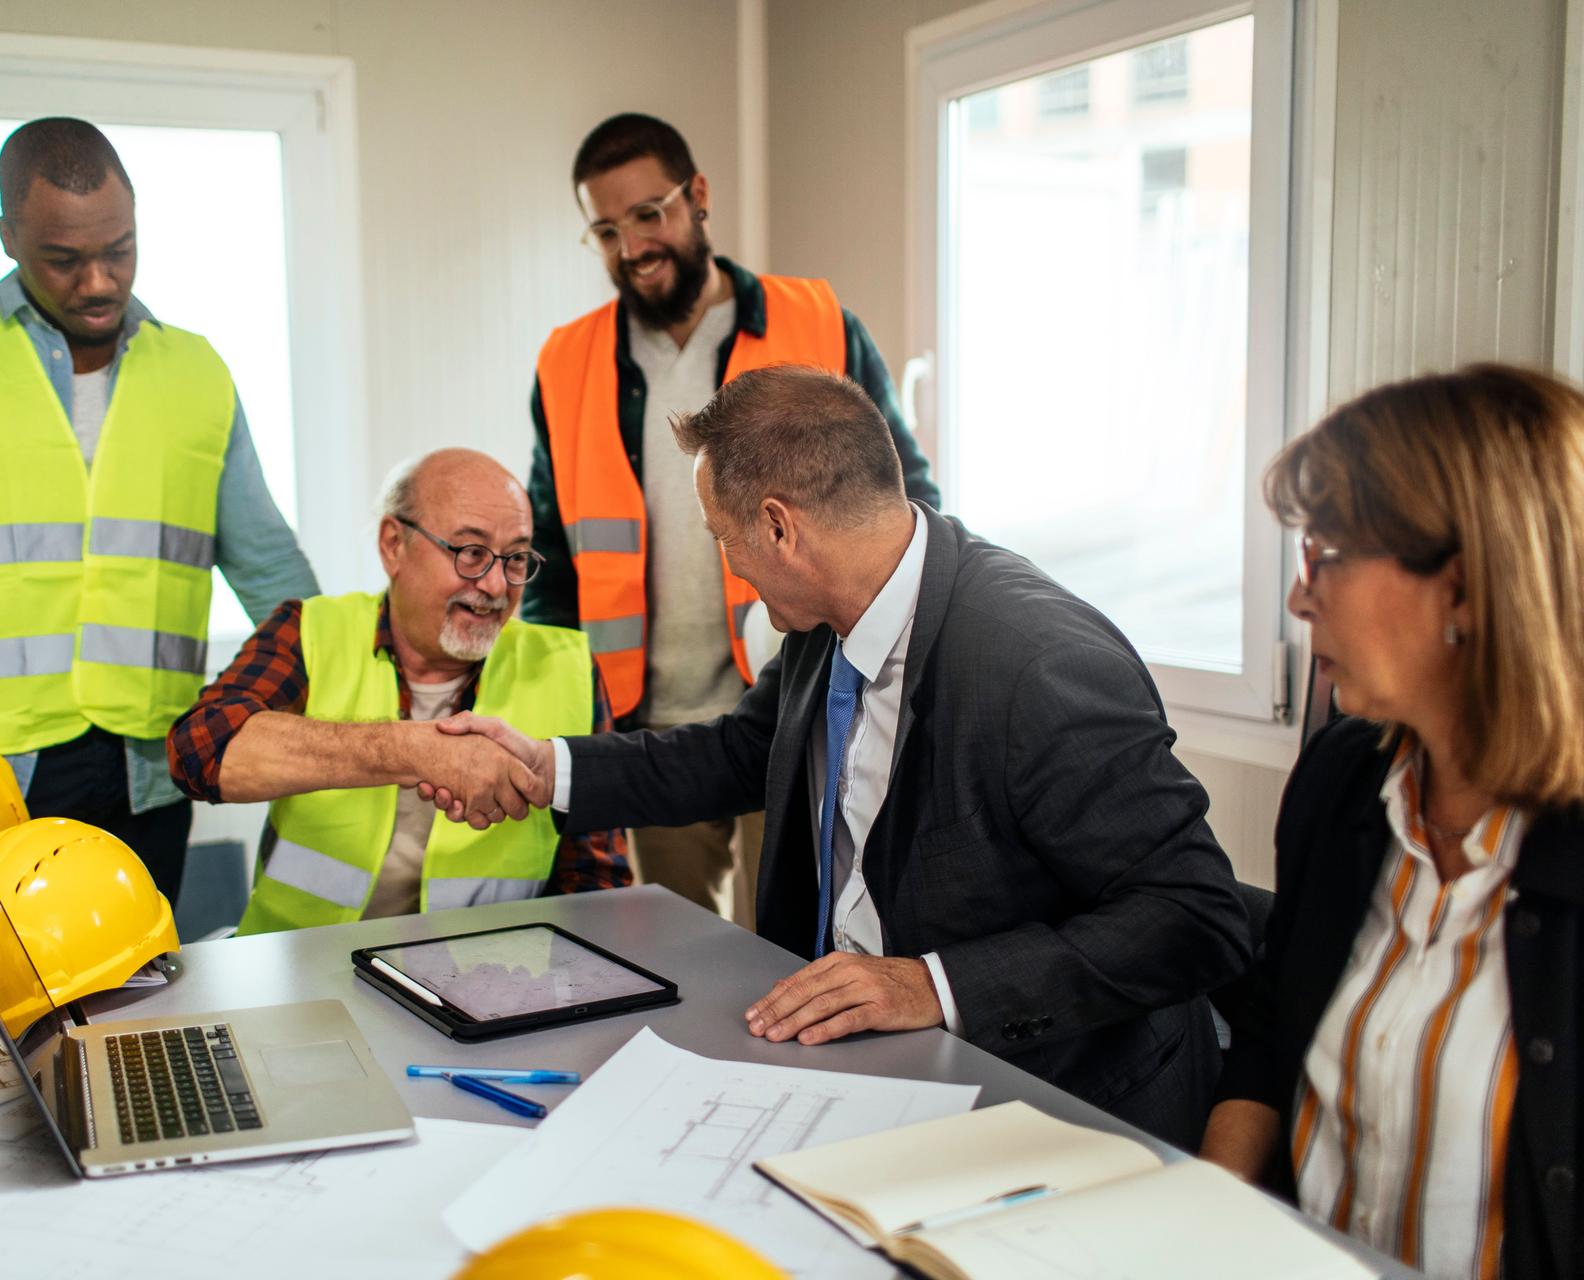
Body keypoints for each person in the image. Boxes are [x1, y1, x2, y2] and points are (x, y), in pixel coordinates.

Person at [435, 366, 1250, 1147]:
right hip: (863, 1067)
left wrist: (932, 983)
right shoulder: (832, 619)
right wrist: (548, 769)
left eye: (727, 540)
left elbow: (1193, 914)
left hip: (1050, 1098)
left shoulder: (1037, 664)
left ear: (780, 528)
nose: (735, 569)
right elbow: (741, 752)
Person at [0, 117, 313, 916]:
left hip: (147, 776)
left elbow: (271, 570)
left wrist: (369, 720)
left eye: (120, 249)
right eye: (65, 260)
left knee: (135, 1014)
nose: (101, 282)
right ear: (8, 235)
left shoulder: (197, 372)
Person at [1202, 365, 1584, 1280]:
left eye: (1325, 556)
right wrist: (1199, 1220)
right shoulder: (1343, 782)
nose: (1301, 599)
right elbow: (1267, 1031)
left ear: (1464, 587)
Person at [523, 113, 942, 925]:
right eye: (606, 230)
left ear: (698, 196)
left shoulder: (818, 323)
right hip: (650, 725)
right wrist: (569, 716)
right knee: (673, 957)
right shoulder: (566, 362)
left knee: (793, 947)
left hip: (800, 708)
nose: (633, 245)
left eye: (649, 214)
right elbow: (549, 559)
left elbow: (906, 498)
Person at [168, 449, 629, 931]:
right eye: (471, 553)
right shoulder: (310, 631)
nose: (495, 585)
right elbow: (200, 751)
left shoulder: (567, 667)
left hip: (488, 976)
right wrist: (415, 750)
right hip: (305, 969)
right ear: (393, 544)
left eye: (516, 559)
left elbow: (597, 878)